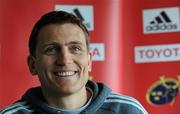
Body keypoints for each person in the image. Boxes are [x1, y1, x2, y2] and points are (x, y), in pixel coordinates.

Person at [0, 11, 148, 114]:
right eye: (51, 49)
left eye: (75, 48)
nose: (64, 59)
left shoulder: (128, 110)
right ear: (32, 65)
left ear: (89, 61)